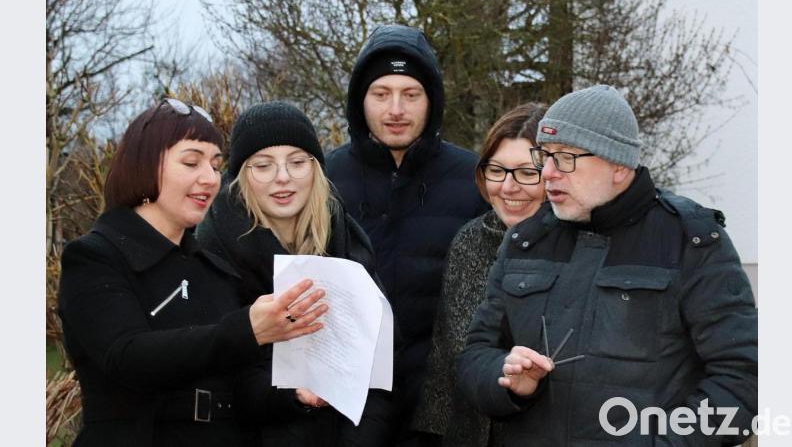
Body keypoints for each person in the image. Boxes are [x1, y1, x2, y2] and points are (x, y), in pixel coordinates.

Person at [459, 85, 758, 446]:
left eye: (565, 158)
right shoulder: (526, 240)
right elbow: (476, 355)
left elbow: (744, 378)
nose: (548, 172)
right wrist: (506, 380)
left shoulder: (691, 241)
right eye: (545, 156)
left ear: (618, 165)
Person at [58, 98, 328, 446]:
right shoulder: (94, 257)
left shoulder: (215, 270)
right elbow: (127, 357)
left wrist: (294, 395)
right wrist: (245, 330)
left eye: (215, 165)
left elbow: (243, 388)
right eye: (191, 162)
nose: (210, 179)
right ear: (144, 164)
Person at [326, 24, 489, 446]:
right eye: (381, 93)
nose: (396, 109)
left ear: (431, 100)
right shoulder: (323, 178)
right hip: (347, 405)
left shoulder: (474, 179)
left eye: (411, 94)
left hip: (441, 410)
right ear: (360, 101)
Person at [196, 101, 393, 446]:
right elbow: (219, 374)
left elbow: (380, 368)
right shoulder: (212, 251)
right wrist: (291, 397)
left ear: (316, 169)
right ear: (241, 175)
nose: (283, 177)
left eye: (298, 162)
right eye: (263, 165)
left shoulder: (345, 238)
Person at [412, 103, 546, 447]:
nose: (509, 187)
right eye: (497, 170)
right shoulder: (470, 241)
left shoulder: (581, 248)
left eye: (527, 173)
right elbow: (445, 359)